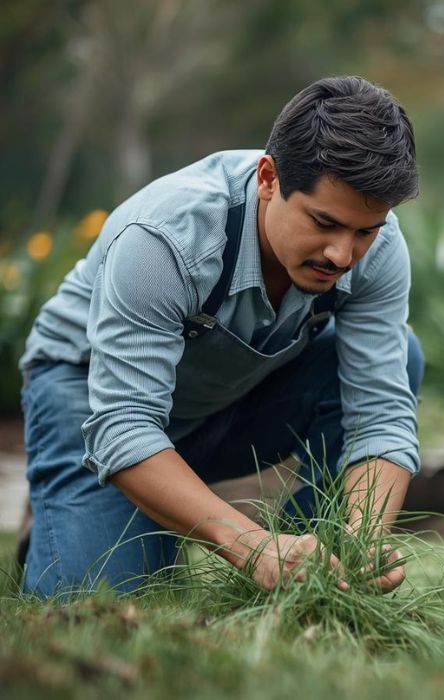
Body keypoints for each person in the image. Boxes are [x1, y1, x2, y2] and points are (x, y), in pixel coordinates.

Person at [20, 76, 422, 596]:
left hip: (230, 399)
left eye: (363, 231)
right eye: (323, 222)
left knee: (404, 354)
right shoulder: (165, 238)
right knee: (100, 598)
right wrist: (248, 544)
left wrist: (360, 543)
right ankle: (67, 511)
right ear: (269, 178)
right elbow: (124, 423)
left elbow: (381, 414)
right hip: (92, 397)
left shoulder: (381, 248)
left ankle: (310, 567)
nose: (342, 256)